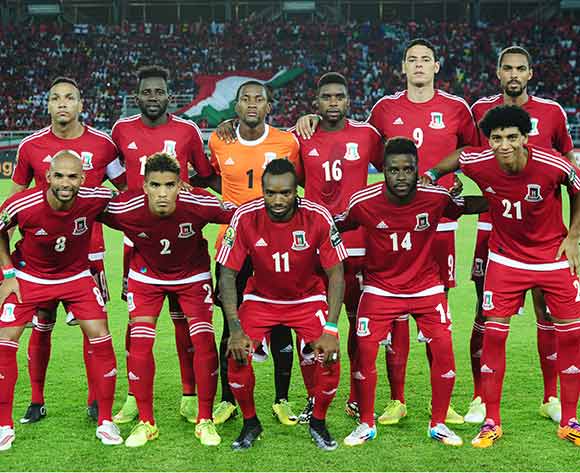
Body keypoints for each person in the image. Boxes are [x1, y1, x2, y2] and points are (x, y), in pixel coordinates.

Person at [296, 38, 477, 425]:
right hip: (358, 235)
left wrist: (444, 180)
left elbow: (466, 155)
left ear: (437, 65)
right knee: (356, 316)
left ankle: (433, 404)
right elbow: (359, 149)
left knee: (427, 313)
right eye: (412, 59)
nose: (419, 65)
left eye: (426, 59)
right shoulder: (381, 110)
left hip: (430, 227)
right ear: (403, 66)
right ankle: (380, 399)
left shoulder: (456, 108)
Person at [423, 105, 580, 448]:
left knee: (571, 335)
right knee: (494, 337)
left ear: (525, 138)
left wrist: (573, 236)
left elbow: (577, 186)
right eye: (496, 138)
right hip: (505, 260)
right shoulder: (481, 161)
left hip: (553, 257)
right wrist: (433, 174)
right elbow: (463, 155)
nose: (504, 145)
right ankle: (491, 420)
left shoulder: (552, 163)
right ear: (489, 140)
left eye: (512, 137)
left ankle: (570, 419)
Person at [337, 137, 486, 447]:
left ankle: (439, 423)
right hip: (379, 288)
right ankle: (366, 423)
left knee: (444, 349)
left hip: (426, 287)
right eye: (393, 170)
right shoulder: (362, 202)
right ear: (383, 171)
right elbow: (337, 223)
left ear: (418, 170)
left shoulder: (435, 197)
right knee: (364, 354)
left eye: (408, 169)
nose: (401, 176)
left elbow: (466, 206)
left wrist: (510, 196)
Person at [464, 46, 577, 424]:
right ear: (498, 72)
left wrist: (574, 234)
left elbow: (568, 169)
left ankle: (550, 397)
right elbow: (470, 156)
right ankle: (480, 397)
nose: (513, 74)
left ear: (530, 73)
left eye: (520, 68)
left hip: (545, 236)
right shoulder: (479, 110)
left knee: (548, 310)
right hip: (492, 229)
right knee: (486, 310)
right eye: (507, 68)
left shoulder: (552, 113)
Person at [11, 76, 126, 423]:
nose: (62, 103)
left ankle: (95, 401)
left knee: (94, 330)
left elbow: (124, 190)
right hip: (41, 259)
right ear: (47, 105)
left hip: (89, 256)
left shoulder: (104, 145)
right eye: (55, 98)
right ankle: (36, 400)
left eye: (70, 98)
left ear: (80, 104)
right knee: (42, 325)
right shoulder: (30, 146)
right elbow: (15, 202)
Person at [100, 152, 234, 447]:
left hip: (191, 276)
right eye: (155, 185)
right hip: (146, 277)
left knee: (202, 339)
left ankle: (204, 419)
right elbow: (83, 207)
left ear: (180, 185)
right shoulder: (125, 208)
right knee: (140, 340)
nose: (163, 193)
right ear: (144, 186)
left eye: (170, 185)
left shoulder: (199, 203)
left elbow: (242, 215)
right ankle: (146, 422)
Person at [217, 159, 345, 451]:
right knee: (236, 355)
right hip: (261, 298)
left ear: (296, 190)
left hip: (307, 298)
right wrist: (235, 328)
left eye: (285, 193)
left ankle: (318, 422)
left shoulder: (318, 216)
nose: (277, 200)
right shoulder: (245, 216)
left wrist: (331, 327)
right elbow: (227, 273)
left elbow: (336, 273)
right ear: (262, 190)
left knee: (330, 356)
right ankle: (251, 423)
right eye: (270, 193)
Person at [111, 65, 214, 425]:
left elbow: (204, 173)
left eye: (159, 92)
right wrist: (131, 194)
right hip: (138, 238)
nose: (153, 97)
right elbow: (110, 168)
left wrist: (187, 191)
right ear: (137, 96)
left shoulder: (187, 129)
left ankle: (190, 395)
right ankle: (131, 397)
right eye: (146, 92)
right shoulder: (121, 129)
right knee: (136, 323)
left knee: (185, 321)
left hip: (182, 235)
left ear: (169, 95)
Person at [0, 151, 122, 451]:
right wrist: (7, 273)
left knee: (102, 338)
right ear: (48, 177)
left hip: (76, 278)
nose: (65, 183)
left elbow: (131, 208)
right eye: (59, 175)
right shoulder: (22, 203)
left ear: (82, 178)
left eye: (72, 176)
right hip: (30, 278)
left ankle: (105, 421)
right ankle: (3, 424)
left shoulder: (95, 198)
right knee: (4, 343)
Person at [288, 72, 383, 422]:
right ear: (316, 102)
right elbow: (289, 180)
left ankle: (357, 397)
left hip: (359, 246)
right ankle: (314, 398)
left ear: (348, 100)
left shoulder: (367, 135)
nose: (332, 103)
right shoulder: (301, 137)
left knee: (360, 327)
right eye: (326, 97)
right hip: (312, 249)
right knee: (311, 329)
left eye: (338, 97)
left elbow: (394, 173)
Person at [209, 81, 301, 426]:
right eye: (245, 99)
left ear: (268, 105)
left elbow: (296, 182)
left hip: (276, 245)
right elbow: (214, 178)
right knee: (229, 325)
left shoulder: (286, 142)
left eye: (258, 99)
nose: (251, 104)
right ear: (236, 107)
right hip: (232, 245)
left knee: (280, 321)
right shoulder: (220, 139)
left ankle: (281, 399)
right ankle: (227, 400)